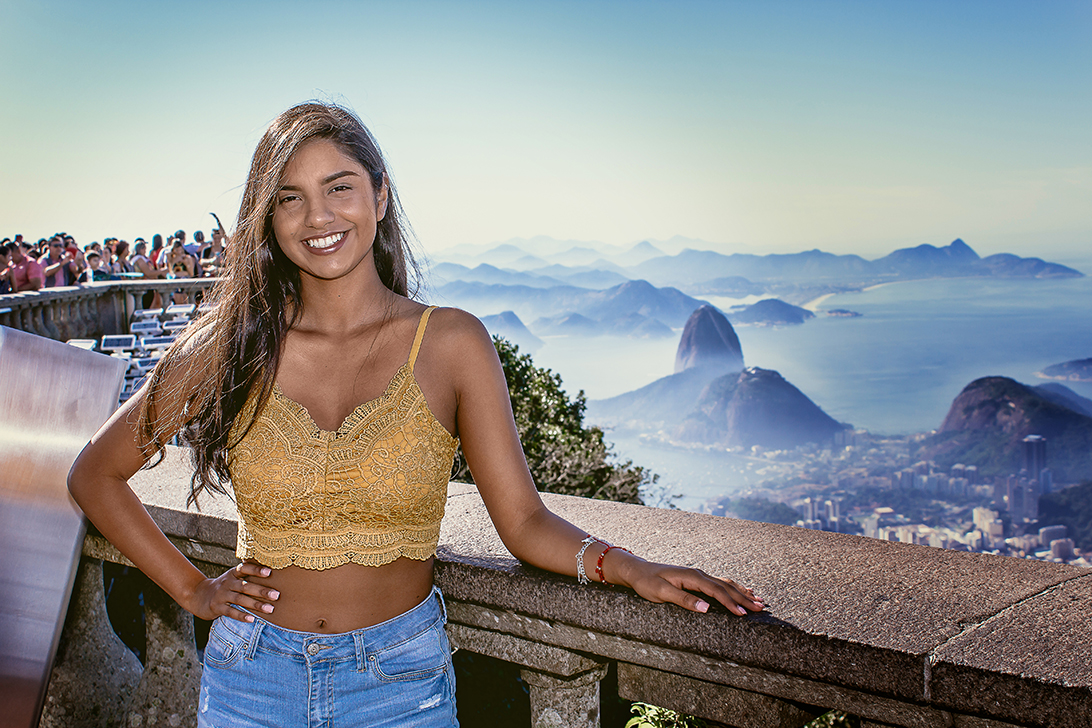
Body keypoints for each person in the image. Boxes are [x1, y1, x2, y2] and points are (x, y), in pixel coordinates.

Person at [67, 102, 764, 727]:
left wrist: (632, 568)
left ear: (379, 194)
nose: (318, 217)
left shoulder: (452, 343)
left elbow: (521, 521)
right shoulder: (231, 343)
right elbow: (95, 475)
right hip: (251, 680)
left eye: (339, 187)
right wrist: (192, 588)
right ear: (267, 219)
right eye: (290, 199)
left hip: (397, 684)